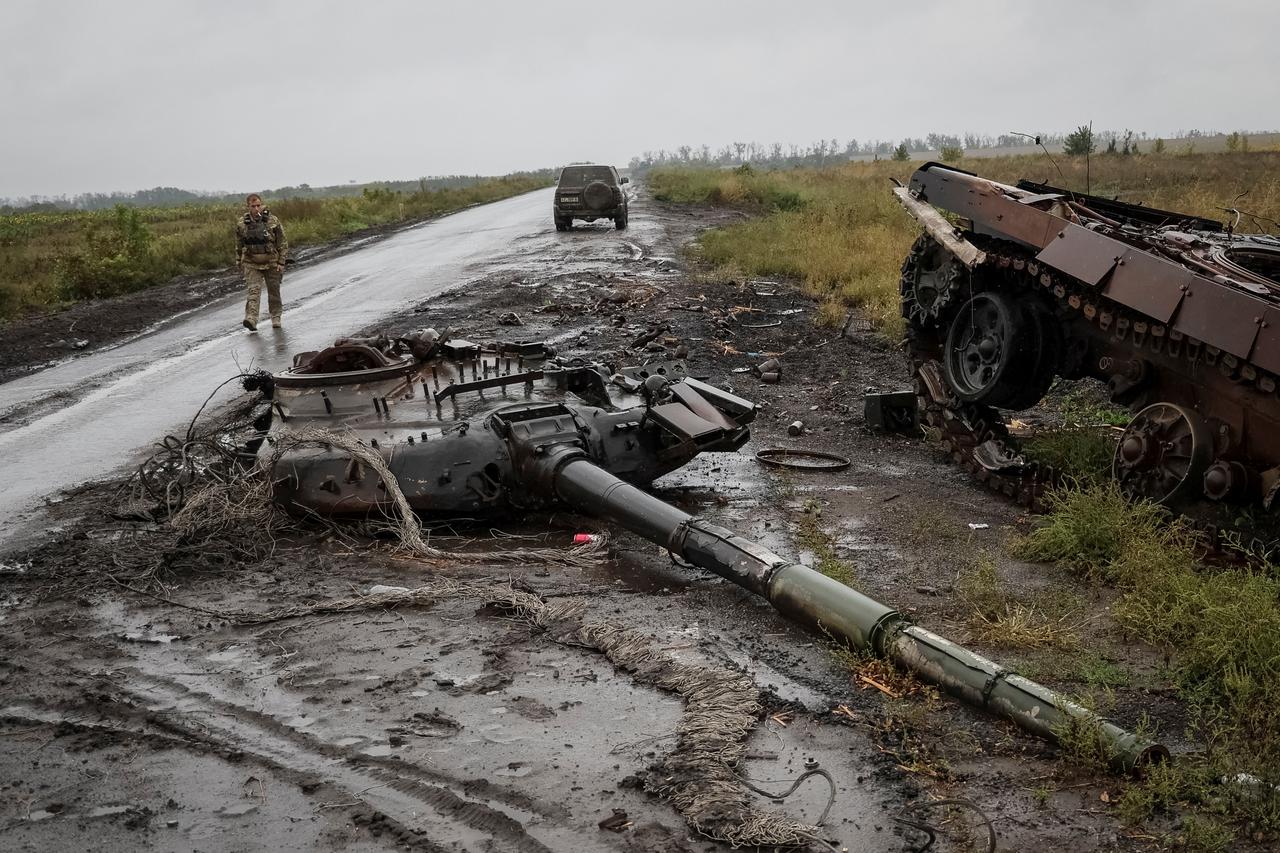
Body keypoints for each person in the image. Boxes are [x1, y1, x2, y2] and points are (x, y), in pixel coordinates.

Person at [235, 193, 288, 331]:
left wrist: (281, 262)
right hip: (251, 262)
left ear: (262, 204)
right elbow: (239, 244)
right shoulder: (242, 223)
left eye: (258, 205)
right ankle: (251, 319)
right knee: (254, 290)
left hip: (271, 261)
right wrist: (238, 260)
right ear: (248, 207)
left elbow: (282, 242)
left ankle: (276, 317)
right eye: (253, 206)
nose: (256, 208)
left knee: (274, 291)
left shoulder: (272, 220)